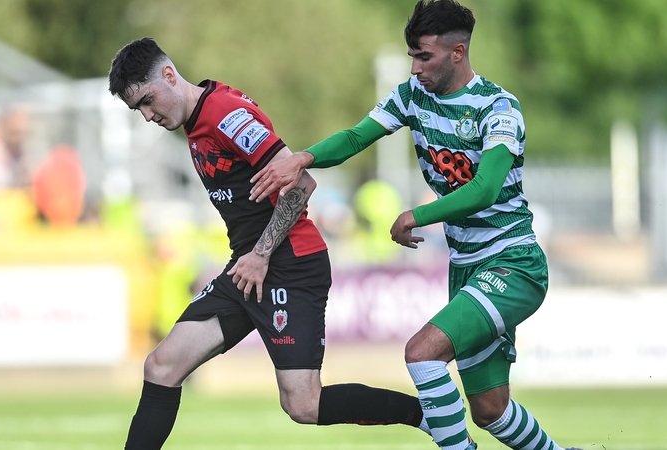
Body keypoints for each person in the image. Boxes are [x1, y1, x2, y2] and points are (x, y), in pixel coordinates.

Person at [250, 2, 583, 449]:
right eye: (412, 56)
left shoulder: (499, 108)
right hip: (467, 267)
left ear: (458, 52)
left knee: (421, 353)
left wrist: (415, 214)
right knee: (490, 410)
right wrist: (304, 158)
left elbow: (485, 190)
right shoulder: (411, 95)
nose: (415, 67)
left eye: (424, 56)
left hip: (513, 262)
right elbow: (355, 137)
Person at [108, 37, 437, 450]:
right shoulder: (195, 120)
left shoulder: (226, 115)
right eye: (137, 108)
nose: (147, 115)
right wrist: (254, 257)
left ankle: (428, 416)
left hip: (288, 263)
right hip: (248, 267)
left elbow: (299, 181)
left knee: (303, 404)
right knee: (161, 366)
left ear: (170, 75)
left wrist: (261, 254)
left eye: (148, 100)